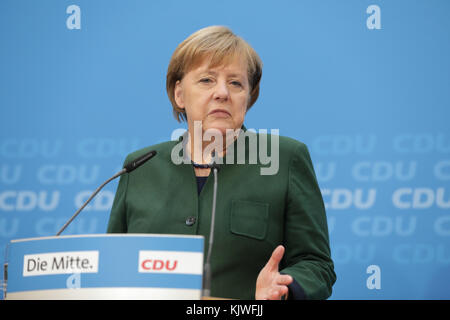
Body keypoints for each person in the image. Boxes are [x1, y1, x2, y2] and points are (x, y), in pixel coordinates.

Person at [107, 25, 336, 300]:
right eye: (206, 80)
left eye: (236, 83)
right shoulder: (140, 167)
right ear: (179, 94)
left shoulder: (284, 158)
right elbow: (113, 266)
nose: (222, 93)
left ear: (248, 97)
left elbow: (317, 264)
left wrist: (284, 289)